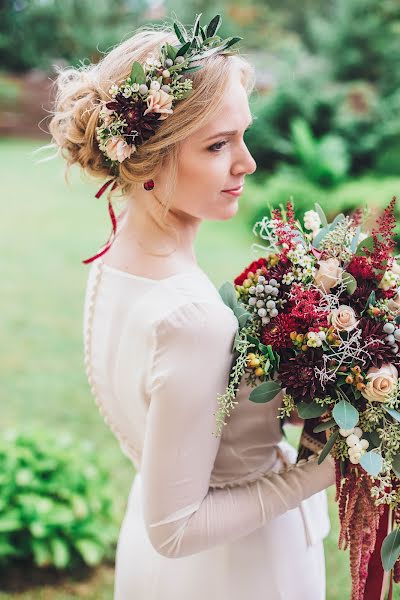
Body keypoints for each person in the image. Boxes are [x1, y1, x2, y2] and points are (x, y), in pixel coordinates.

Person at [48, 15, 335, 600]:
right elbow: (175, 528)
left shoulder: (113, 261)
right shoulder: (192, 317)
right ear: (149, 159)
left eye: (243, 135)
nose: (246, 163)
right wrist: (322, 469)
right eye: (217, 144)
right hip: (237, 572)